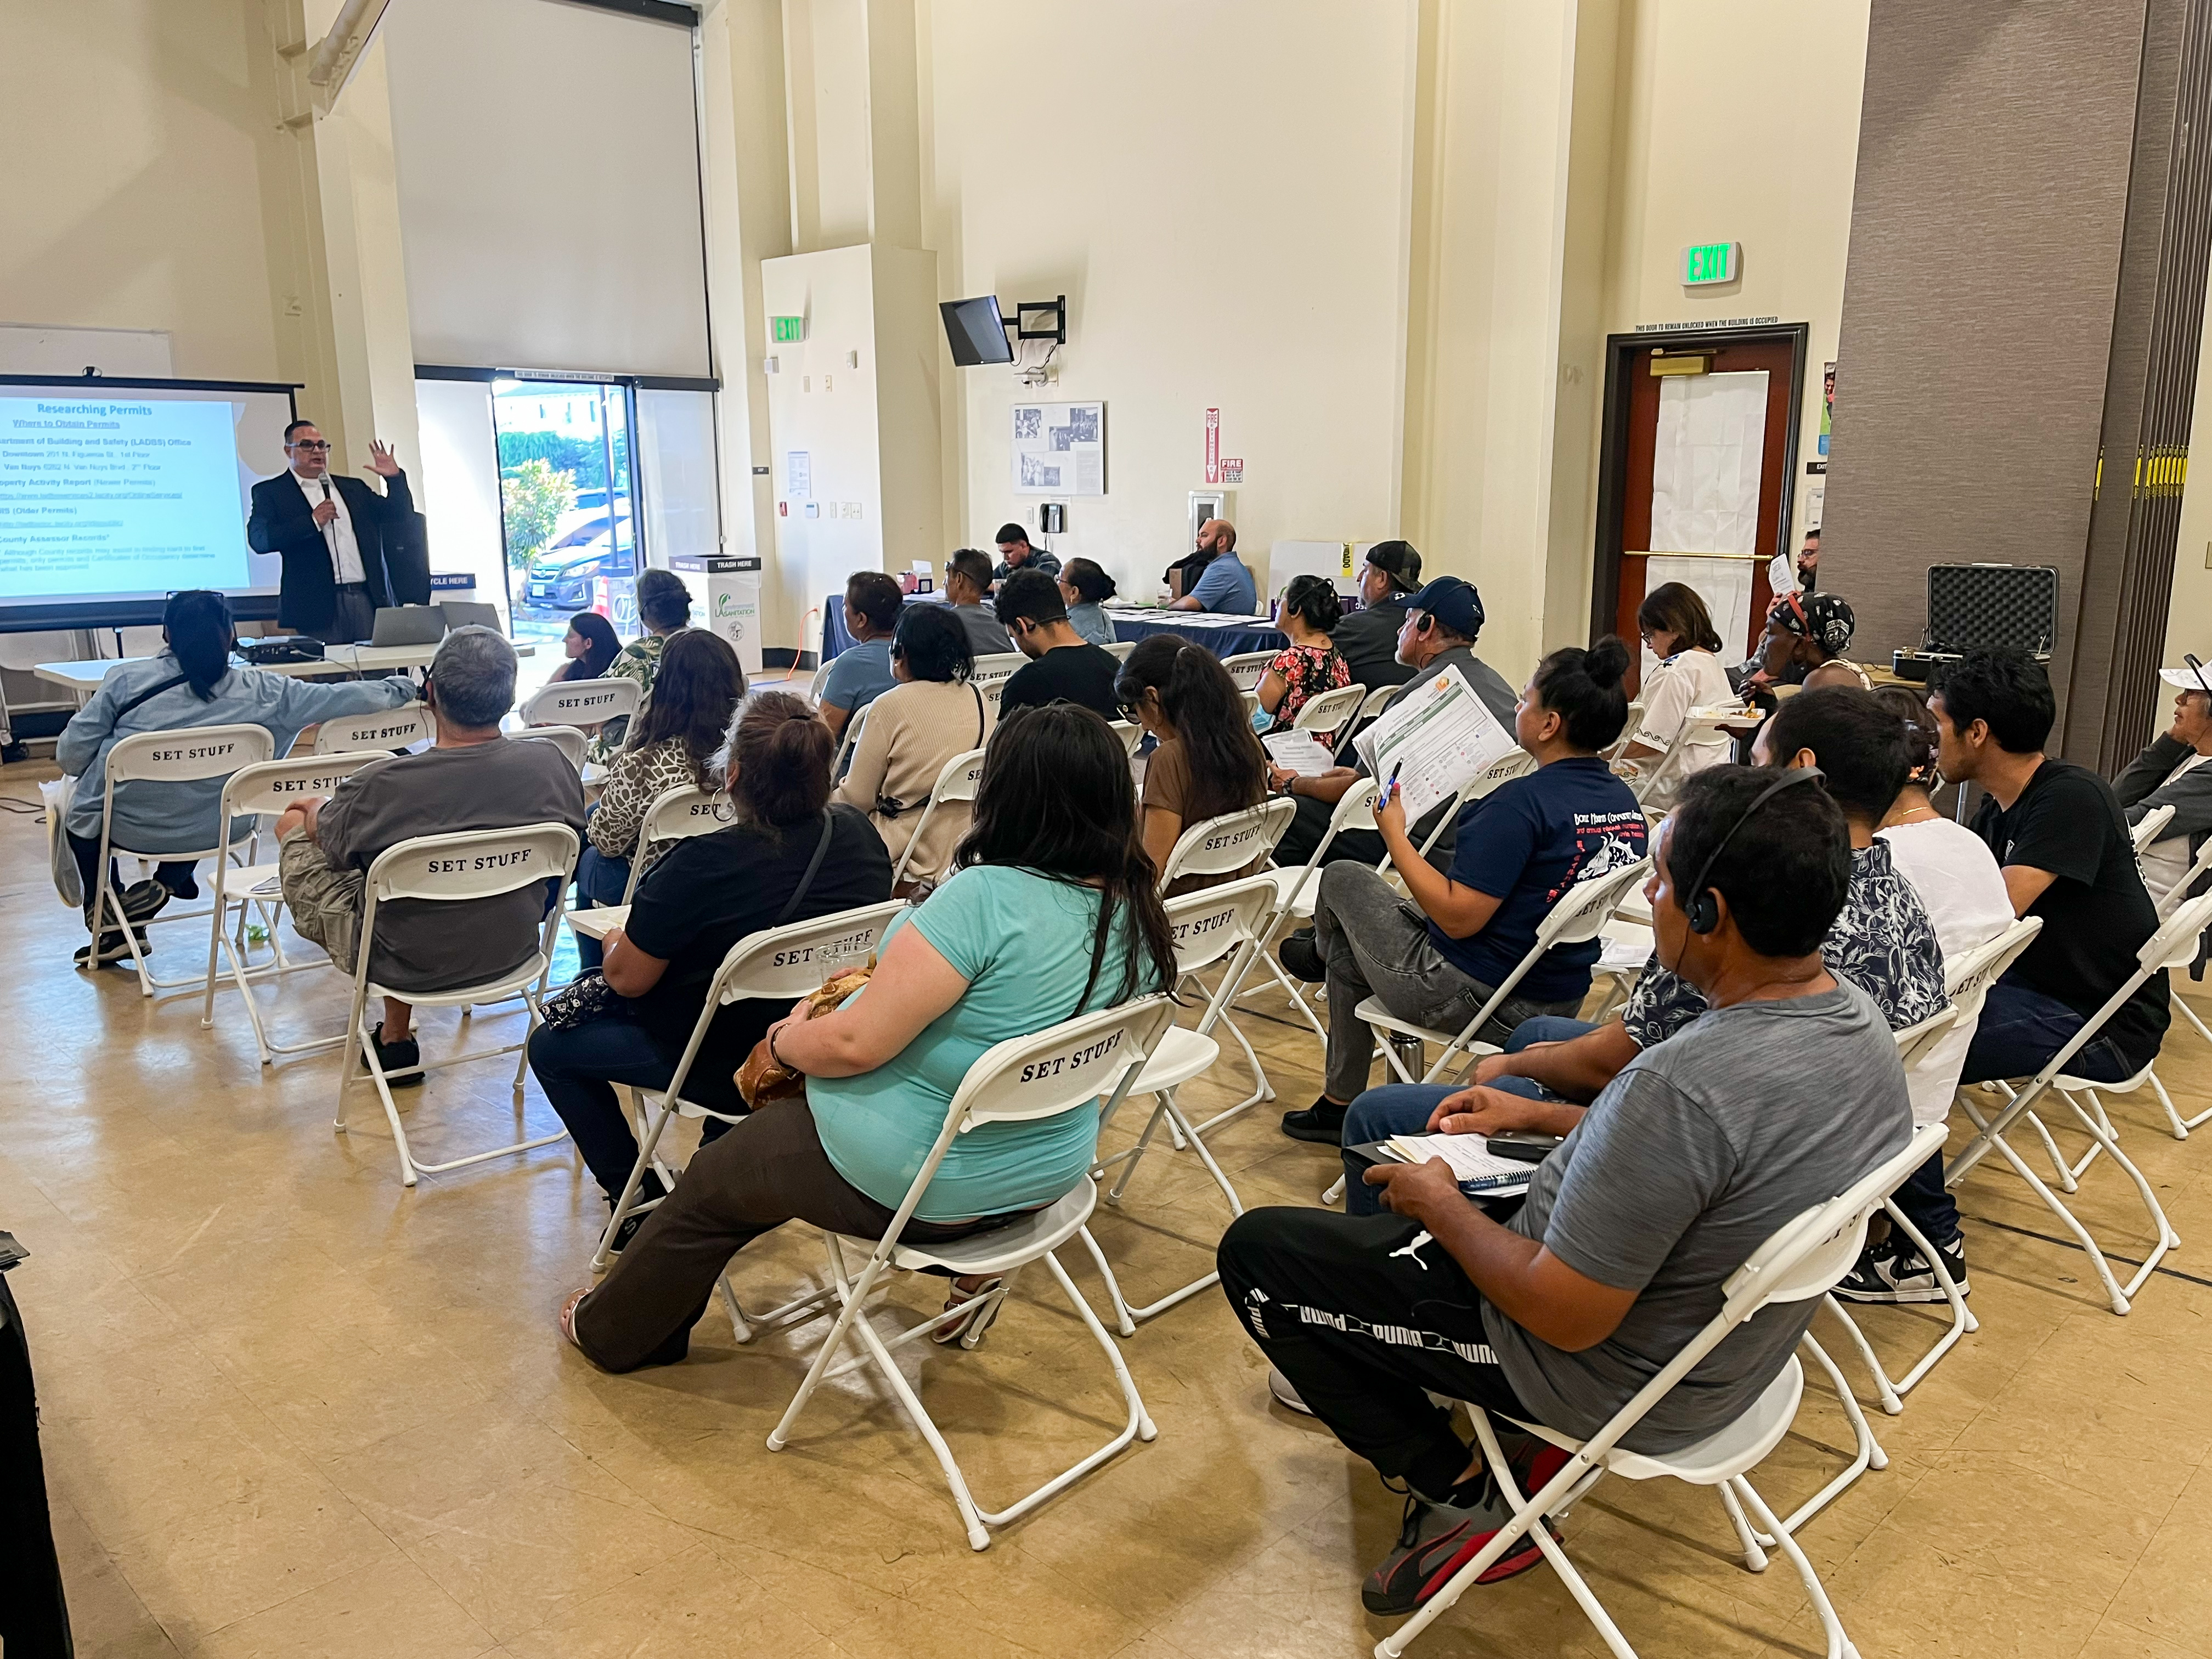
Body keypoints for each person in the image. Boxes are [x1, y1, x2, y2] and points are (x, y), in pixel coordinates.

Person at [1218, 765, 1910, 1618]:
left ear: (1709, 914)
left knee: (1258, 1259)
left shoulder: (1688, 1084)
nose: (1651, 894)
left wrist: (1445, 1206)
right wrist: (1532, 1118)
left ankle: (1464, 1486)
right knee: (1397, 1174)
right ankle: (1439, 1392)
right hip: (1727, 1364)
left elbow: (1565, 1314)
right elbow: (1710, 1174)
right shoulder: (1856, 1024)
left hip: (1596, 1374)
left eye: (1659, 878)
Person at [558, 703, 1178, 1372]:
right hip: (1051, 1169)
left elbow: (856, 1045)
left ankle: (613, 1332)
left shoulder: (984, 898)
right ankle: (972, 1276)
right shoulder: (1136, 907)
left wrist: (786, 1040)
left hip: (931, 1183)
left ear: (1007, 793)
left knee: (717, 1179)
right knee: (757, 1165)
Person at [1379, 699, 1947, 1210]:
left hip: (1706, 1152)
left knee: (1396, 1110)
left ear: (1799, 772)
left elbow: (1634, 1066)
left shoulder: (1743, 917)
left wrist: (1518, 1078)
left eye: (1758, 755)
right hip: (1830, 1161)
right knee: (1536, 1038)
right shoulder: (1900, 897)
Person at [529, 691, 893, 1248]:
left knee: (550, 1049)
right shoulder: (859, 837)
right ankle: (716, 1173)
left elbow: (628, 978)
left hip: (719, 1063)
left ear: (735, 773)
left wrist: (619, 938)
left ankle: (635, 1196)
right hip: (813, 1048)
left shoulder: (700, 865)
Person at [1279, 640, 1648, 1145]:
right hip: (1560, 996)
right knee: (1350, 950)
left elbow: (1457, 920)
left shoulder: (1520, 806)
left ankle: (1317, 955)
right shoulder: (1623, 800)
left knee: (1343, 875)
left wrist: (1394, 832)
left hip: (1476, 995)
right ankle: (1339, 1103)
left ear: (1549, 724)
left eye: (1524, 700)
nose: (1517, 708)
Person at [273, 628, 586, 1084]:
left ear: (431, 692)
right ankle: (395, 1031)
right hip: (515, 948)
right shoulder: (552, 765)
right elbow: (569, 861)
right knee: (405, 875)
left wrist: (315, 811)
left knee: (299, 831)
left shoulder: (380, 785)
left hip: (401, 961)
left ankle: (395, 1038)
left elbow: (332, 846)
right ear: (508, 693)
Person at [55, 590, 417, 968]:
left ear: (166, 635)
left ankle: (103, 911)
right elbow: (344, 697)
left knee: (81, 805)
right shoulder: (267, 692)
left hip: (129, 828)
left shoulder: (125, 682)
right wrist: (407, 688)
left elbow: (70, 757)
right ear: (231, 635)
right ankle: (167, 882)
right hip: (225, 827)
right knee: (210, 789)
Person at [1934, 647, 2168, 1110]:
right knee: (1904, 1024)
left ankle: (1907, 1182)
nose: (1929, 741)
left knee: (1909, 1046)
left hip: (2103, 1025)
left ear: (1977, 732)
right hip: (2040, 990)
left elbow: (1991, 917)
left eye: (1937, 725)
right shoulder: (2000, 808)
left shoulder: (2070, 798)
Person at [1268, 575, 1520, 870]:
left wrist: (1292, 783)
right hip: (1475, 839)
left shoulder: (1419, 694)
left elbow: (1357, 794)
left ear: (1426, 627)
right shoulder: (1501, 688)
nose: (1400, 630)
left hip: (1419, 845)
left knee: (1288, 814)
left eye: (1408, 620)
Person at [573, 629, 746, 967]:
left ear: (667, 687)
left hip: (655, 887)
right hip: (733, 875)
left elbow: (609, 842)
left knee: (591, 855)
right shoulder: (750, 753)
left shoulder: (644, 762)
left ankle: (595, 974)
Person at [834, 602, 993, 888]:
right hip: (971, 843)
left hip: (906, 848)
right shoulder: (978, 697)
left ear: (901, 653)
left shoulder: (888, 706)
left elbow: (857, 800)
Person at [247, 420, 427, 642]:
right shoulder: (272, 492)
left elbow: (400, 516)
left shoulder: (353, 489)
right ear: (288, 450)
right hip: (316, 606)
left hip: (365, 599)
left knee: (377, 672)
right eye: (307, 445)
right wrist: (312, 522)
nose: (317, 451)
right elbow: (260, 540)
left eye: (322, 445)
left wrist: (394, 479)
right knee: (331, 674)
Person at [1114, 635, 1270, 892]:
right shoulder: (1248, 745)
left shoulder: (1168, 759)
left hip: (1174, 913)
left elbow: (1151, 873)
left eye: (1135, 710)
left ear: (1152, 698)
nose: (1142, 724)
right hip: (1231, 908)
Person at [1616, 582, 1735, 806]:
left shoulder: (1676, 670)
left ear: (1673, 629)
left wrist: (1599, 755)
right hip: (1712, 785)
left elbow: (1649, 744)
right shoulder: (1712, 665)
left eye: (1650, 635)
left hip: (1671, 790)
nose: (1649, 646)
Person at [2116, 668, 2212, 906]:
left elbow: (2125, 823)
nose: (2179, 699)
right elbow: (2115, 800)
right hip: (2123, 892)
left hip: (2148, 909)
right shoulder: (2191, 754)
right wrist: (2171, 742)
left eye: (2190, 693)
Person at [994, 568, 1121, 718]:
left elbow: (1007, 741)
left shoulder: (1025, 684)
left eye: (1013, 635)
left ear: (1023, 626)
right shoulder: (1115, 668)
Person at [595, 568, 694, 759]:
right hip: (704, 749)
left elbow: (601, 710)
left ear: (645, 611)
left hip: (642, 752)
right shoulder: (711, 646)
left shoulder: (637, 655)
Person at [1256, 575, 1352, 736]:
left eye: (1281, 599)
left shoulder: (1289, 663)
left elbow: (1251, 719)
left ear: (1296, 610)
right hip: (1321, 755)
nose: (1278, 604)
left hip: (1278, 756)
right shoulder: (1336, 656)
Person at [819, 571, 905, 744]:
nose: (843, 611)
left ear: (861, 619)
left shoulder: (849, 665)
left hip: (857, 764)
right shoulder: (918, 655)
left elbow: (824, 735)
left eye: (845, 606)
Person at [1332, 541, 1423, 693]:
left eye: (1365, 570)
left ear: (1382, 578)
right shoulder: (1426, 628)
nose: (1359, 578)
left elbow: (1302, 646)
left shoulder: (1352, 628)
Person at [1747, 591, 1872, 691]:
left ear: (1800, 645)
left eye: (1770, 633)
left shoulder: (1823, 681)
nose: (1763, 643)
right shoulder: (1834, 673)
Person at [1168, 520, 1257, 613]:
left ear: (1221, 541)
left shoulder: (1222, 568)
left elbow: (1189, 604)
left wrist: (1169, 604)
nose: (1198, 540)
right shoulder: (1234, 565)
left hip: (1225, 627)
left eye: (1204, 535)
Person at [943, 548, 1017, 656]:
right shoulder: (999, 622)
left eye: (948, 574)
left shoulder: (945, 623)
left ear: (959, 579)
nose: (945, 582)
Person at [1059, 558, 1120, 646]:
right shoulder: (1103, 616)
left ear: (1074, 592)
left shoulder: (1066, 625)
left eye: (1060, 580)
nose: (1056, 583)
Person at [550, 611, 620, 684]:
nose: (564, 640)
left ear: (588, 643)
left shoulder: (563, 674)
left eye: (570, 636)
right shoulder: (623, 673)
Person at [991, 522, 1061, 585]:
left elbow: (1036, 587)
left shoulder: (1048, 561)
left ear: (1023, 546)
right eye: (1002, 552)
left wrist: (997, 586)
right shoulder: (1006, 565)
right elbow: (987, 582)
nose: (1005, 558)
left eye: (1009, 552)